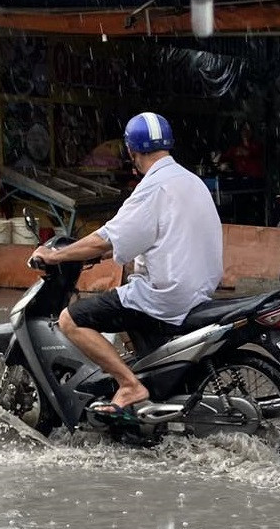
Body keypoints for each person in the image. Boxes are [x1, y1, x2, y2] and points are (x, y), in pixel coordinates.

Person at [29, 112, 224, 418]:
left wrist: (54, 255)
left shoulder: (152, 187)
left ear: (132, 151)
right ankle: (148, 390)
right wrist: (101, 253)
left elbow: (106, 238)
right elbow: (144, 236)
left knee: (70, 320)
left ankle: (129, 384)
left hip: (165, 296)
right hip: (198, 291)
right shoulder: (190, 181)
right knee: (124, 299)